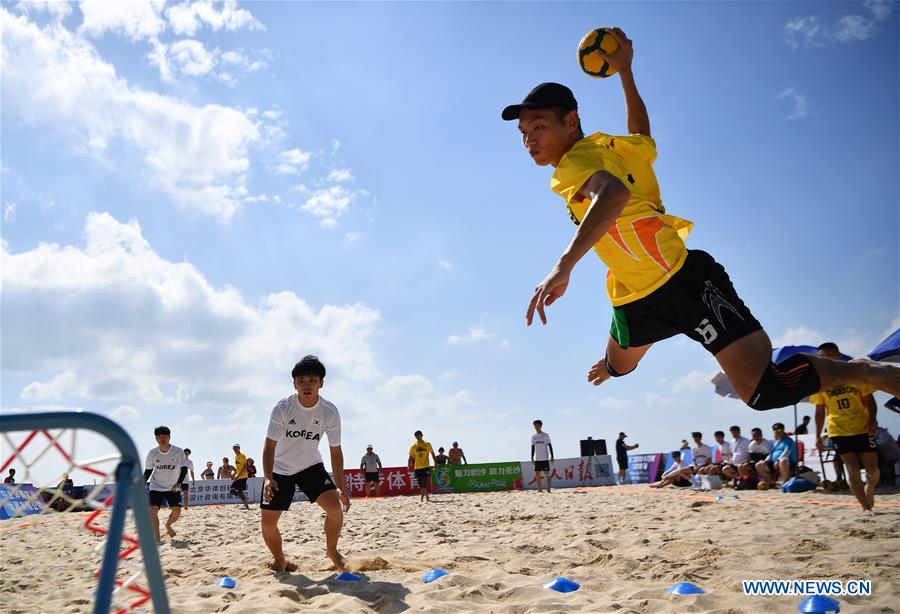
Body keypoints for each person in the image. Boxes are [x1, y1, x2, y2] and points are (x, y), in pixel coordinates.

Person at [502, 28, 900, 419]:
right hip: (634, 297)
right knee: (619, 367)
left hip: (686, 284)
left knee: (764, 393)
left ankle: (863, 370)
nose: (529, 141)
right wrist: (625, 71)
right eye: (523, 132)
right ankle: (618, 362)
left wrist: (563, 265)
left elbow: (613, 195)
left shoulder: (573, 165)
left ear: (571, 122)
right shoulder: (609, 147)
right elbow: (643, 135)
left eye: (539, 127)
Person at [260, 355, 351, 573]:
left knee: (335, 509)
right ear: (294, 384)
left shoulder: (330, 411)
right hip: (280, 469)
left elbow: (335, 451)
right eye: (301, 380)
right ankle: (281, 561)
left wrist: (339, 486)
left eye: (312, 380)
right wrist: (267, 478)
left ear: (321, 383)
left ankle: (332, 551)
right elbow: (269, 446)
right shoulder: (282, 408)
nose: (306, 385)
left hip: (311, 467)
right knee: (268, 524)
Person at [812, 342, 880, 514]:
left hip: (861, 426)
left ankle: (870, 488)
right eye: (822, 357)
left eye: (829, 355)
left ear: (838, 355)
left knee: (872, 471)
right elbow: (819, 410)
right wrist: (818, 435)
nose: (825, 360)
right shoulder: (820, 381)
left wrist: (872, 420)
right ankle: (865, 508)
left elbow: (869, 400)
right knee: (852, 468)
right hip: (838, 429)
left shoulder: (854, 373)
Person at [143, 426, 187, 542]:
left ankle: (168, 525)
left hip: (173, 486)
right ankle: (157, 537)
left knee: (177, 512)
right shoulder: (152, 453)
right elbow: (148, 471)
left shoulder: (178, 451)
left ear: (169, 437)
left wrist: (179, 483)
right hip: (156, 486)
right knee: (152, 510)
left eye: (164, 436)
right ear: (156, 439)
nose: (162, 438)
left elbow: (184, 469)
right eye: (159, 436)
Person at [755, 423, 796, 489]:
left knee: (783, 460)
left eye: (779, 430)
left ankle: (785, 483)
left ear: (783, 430)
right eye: (775, 430)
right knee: (758, 465)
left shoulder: (788, 440)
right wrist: (765, 461)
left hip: (788, 462)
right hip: (773, 463)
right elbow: (770, 454)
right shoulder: (775, 442)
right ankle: (771, 482)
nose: (777, 432)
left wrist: (778, 460)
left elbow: (787, 452)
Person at [408, 431, 437, 503]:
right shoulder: (414, 446)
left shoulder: (427, 444)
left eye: (419, 435)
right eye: (416, 436)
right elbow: (410, 457)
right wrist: (409, 466)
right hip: (417, 467)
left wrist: (435, 463)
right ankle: (426, 495)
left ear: (422, 435)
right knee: (420, 483)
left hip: (425, 466)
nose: (418, 437)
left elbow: (433, 454)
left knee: (424, 481)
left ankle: (422, 496)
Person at [531, 420, 554, 493]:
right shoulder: (533, 436)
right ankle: (540, 489)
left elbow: (550, 445)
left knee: (547, 473)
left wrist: (552, 456)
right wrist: (532, 457)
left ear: (541, 426)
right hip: (537, 459)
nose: (536, 427)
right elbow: (532, 447)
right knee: (537, 474)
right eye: (535, 426)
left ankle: (549, 489)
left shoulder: (545, 435)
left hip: (545, 458)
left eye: (537, 426)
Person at [230, 444, 250, 509]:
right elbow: (238, 467)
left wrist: (238, 475)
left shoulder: (242, 456)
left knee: (239, 490)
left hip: (243, 476)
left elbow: (244, 466)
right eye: (233, 449)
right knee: (232, 490)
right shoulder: (236, 457)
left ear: (239, 448)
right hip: (238, 476)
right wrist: (234, 474)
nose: (234, 450)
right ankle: (245, 498)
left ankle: (246, 505)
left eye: (236, 448)